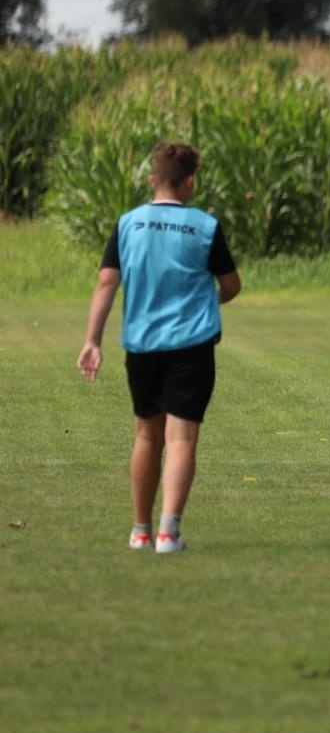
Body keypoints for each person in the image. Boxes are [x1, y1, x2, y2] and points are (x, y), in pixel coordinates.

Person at [77, 142, 242, 554]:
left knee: (147, 435)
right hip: (192, 343)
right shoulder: (205, 226)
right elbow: (232, 286)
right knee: (182, 438)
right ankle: (169, 532)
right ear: (190, 182)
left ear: (153, 181)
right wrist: (211, 299)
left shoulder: (128, 223)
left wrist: (92, 340)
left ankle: (140, 530)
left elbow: (106, 283)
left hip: (143, 343)